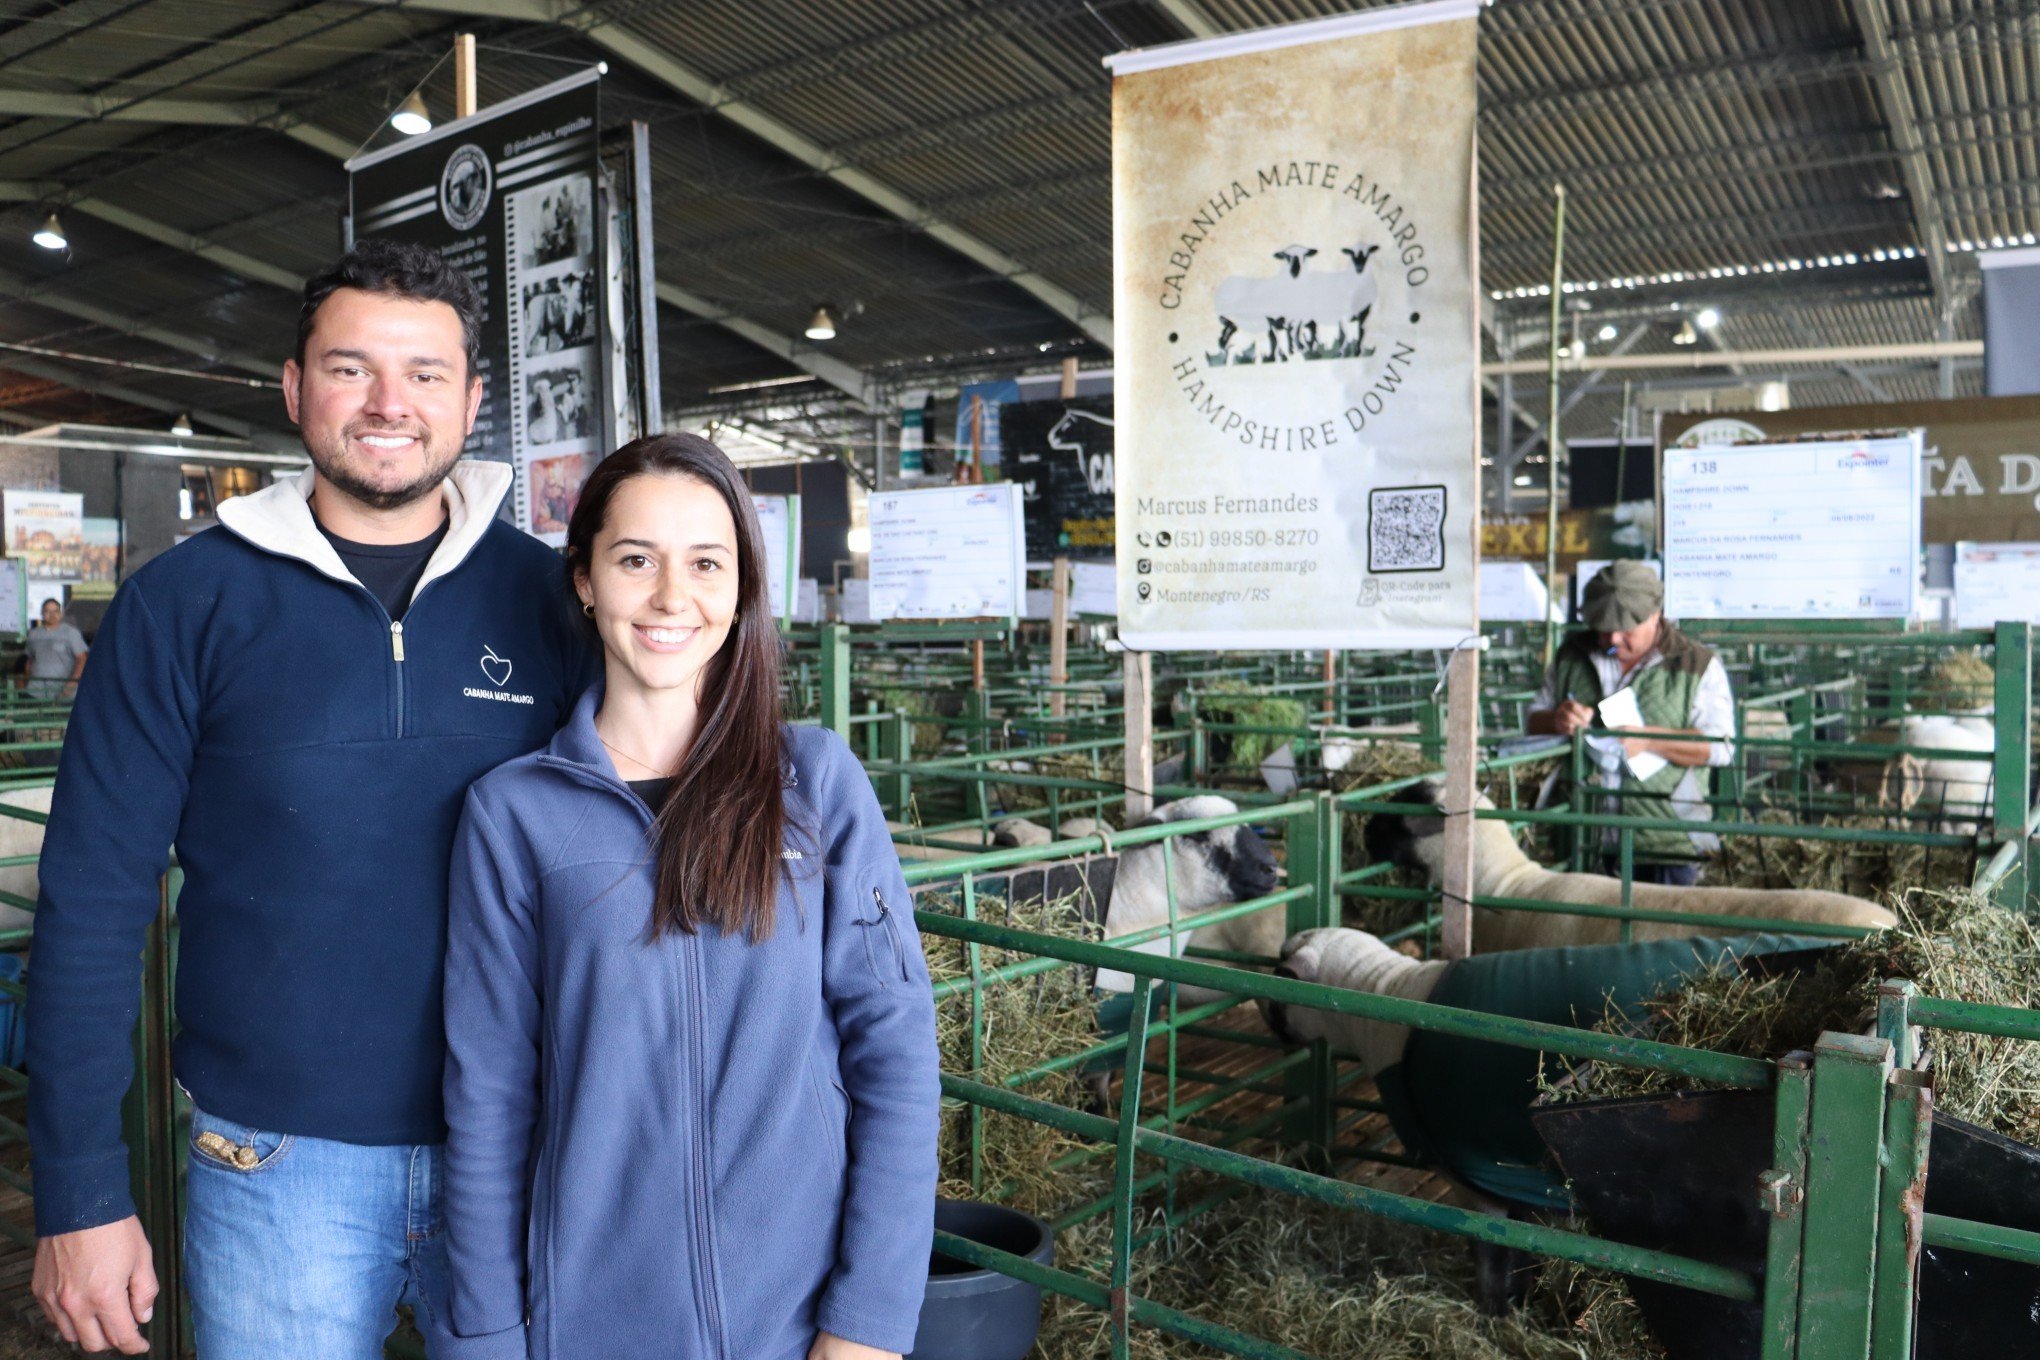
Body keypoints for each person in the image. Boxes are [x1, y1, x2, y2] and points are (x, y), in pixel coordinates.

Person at [27, 238, 590, 1357]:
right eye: (351, 367)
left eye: (426, 373)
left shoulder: (557, 598)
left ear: (474, 402)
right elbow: (92, 899)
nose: (390, 403)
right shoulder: (181, 604)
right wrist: (80, 1188)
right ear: (294, 389)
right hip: (275, 1162)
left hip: (531, 1140)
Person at [441, 434, 941, 1360]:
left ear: (743, 585)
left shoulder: (816, 784)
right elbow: (489, 1097)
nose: (673, 597)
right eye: (636, 560)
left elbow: (896, 1052)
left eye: (706, 563)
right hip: (588, 1325)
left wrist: (868, 1319)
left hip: (799, 1326)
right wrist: (486, 1336)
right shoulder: (513, 815)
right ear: (586, 580)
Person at [1525, 561, 1734, 885]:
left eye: (1626, 629)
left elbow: (1721, 747)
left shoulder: (1697, 665)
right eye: (1603, 627)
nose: (1613, 638)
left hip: (1666, 841)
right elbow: (1532, 721)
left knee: (1664, 930)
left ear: (1655, 614)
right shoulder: (1572, 655)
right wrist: (1557, 719)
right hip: (1582, 836)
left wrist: (1649, 740)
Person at [21, 598, 87, 701]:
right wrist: (26, 680)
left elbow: (82, 659)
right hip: (36, 690)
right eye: (47, 611)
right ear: (42, 614)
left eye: (55, 611)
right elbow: (29, 660)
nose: (52, 615)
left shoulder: (71, 633)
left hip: (63, 690)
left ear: (61, 613)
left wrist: (73, 682)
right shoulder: (33, 634)